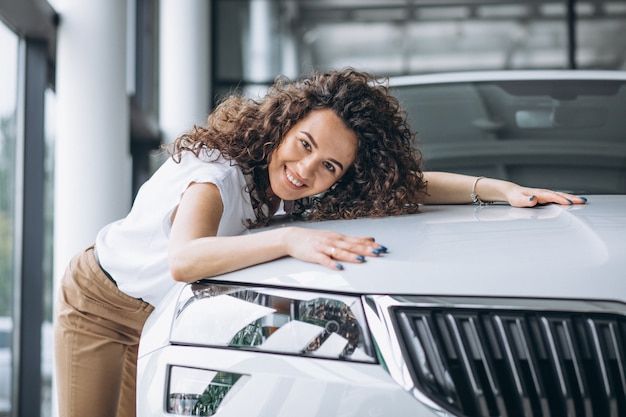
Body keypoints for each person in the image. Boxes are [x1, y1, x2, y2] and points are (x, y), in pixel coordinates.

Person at [53, 68, 586, 417]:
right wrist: (290, 240)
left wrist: (498, 190)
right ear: (282, 127)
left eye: (329, 165)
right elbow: (185, 259)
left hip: (158, 318)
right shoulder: (215, 172)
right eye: (303, 145)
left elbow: (411, 187)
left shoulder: (297, 192)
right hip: (100, 304)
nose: (305, 170)